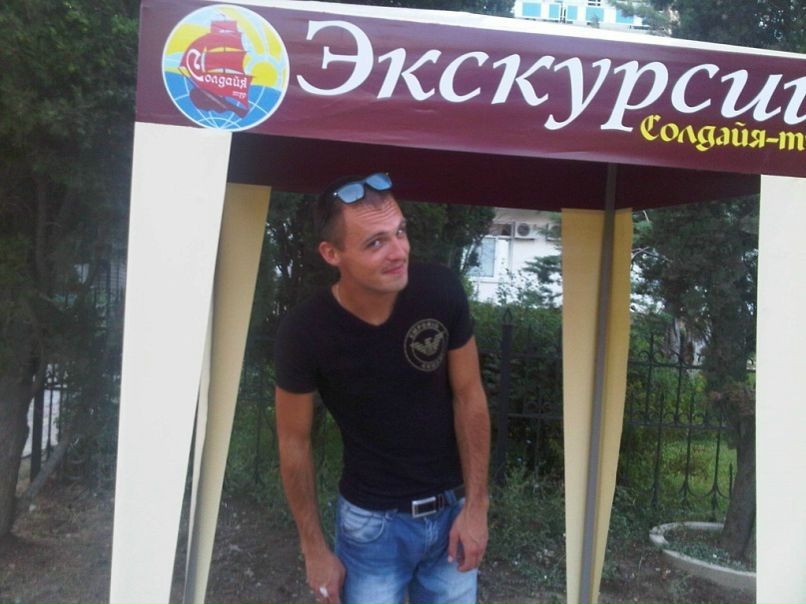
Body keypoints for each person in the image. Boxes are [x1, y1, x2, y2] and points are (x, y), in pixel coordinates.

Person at [274, 172, 490, 604]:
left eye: (400, 232)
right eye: (376, 243)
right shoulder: (305, 332)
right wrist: (313, 548)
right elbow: (294, 441)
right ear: (331, 253)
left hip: (451, 513)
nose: (399, 252)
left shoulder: (440, 291)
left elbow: (470, 396)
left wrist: (477, 506)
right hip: (370, 527)